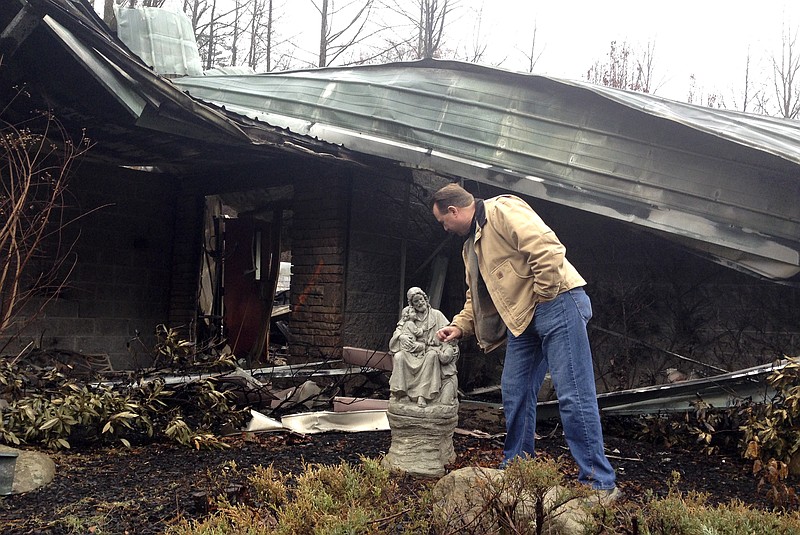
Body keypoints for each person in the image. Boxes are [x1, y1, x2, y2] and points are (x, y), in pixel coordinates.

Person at [431, 183, 618, 495]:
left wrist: (544, 296)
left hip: (557, 303)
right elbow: (476, 297)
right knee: (514, 390)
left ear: (453, 211)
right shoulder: (469, 249)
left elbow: (546, 248)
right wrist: (460, 326)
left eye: (443, 221)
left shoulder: (502, 210)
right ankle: (518, 466)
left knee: (573, 394)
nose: (445, 228)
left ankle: (599, 483)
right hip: (523, 321)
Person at [389, 287, 458, 407]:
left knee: (431, 356)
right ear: (412, 305)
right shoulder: (409, 316)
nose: (419, 303)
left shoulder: (437, 315)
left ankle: (422, 395)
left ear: (425, 299)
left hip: (430, 350)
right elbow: (398, 331)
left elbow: (450, 335)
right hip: (413, 351)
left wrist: (444, 345)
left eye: (420, 299)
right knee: (399, 356)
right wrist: (401, 337)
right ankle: (402, 393)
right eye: (416, 302)